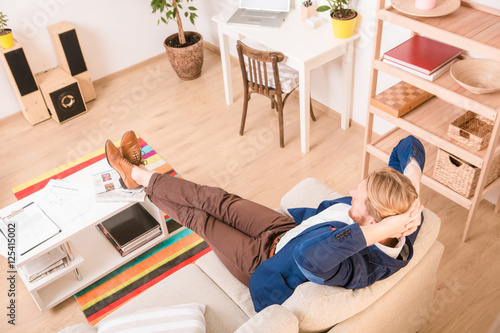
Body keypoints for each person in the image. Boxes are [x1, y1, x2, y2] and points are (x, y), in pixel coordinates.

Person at [105, 131, 425, 312]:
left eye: (358, 195)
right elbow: (410, 144)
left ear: (372, 222)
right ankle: (138, 176)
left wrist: (376, 231)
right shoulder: (400, 216)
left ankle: (135, 176)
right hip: (283, 230)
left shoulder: (360, 267)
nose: (351, 191)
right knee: (214, 197)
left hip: (262, 264)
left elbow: (309, 257)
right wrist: (413, 188)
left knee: (200, 217)